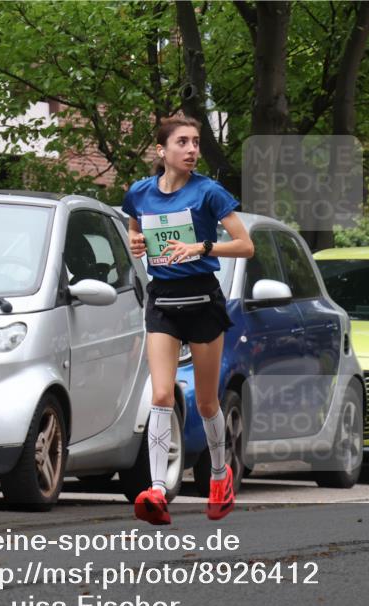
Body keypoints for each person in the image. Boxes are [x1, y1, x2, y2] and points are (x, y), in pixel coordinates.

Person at [123, 116, 254, 525]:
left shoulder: (209, 192)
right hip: (162, 299)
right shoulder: (140, 192)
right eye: (183, 142)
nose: (192, 149)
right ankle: (159, 489)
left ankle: (219, 477)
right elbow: (133, 228)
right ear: (161, 151)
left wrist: (202, 245)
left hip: (202, 300)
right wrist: (136, 241)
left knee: (207, 400)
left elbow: (246, 245)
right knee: (161, 395)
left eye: (196, 142)